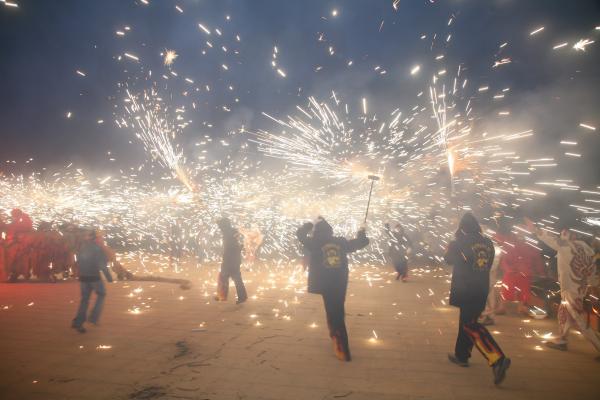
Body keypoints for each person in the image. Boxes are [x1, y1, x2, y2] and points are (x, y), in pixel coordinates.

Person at [444, 213, 511, 385]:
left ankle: (498, 358)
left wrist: (453, 243)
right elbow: (487, 265)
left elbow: (448, 259)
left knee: (470, 324)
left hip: (466, 289)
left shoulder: (459, 242)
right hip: (481, 288)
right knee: (466, 321)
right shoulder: (488, 242)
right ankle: (462, 355)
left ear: (462, 227)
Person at [296, 218, 369, 361]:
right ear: (330, 231)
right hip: (339, 282)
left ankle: (342, 349)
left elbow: (300, 235)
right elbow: (362, 243)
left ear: (316, 233)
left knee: (334, 312)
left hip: (324, 283)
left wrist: (308, 225)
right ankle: (334, 335)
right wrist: (362, 232)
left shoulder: (314, 243)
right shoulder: (341, 242)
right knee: (336, 310)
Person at [526, 219, 600, 359]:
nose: (561, 235)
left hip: (570, 290)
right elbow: (592, 273)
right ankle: (562, 340)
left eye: (563, 233)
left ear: (569, 234)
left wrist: (535, 229)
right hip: (579, 289)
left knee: (580, 320)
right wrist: (593, 286)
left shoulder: (566, 246)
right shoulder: (587, 249)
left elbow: (551, 240)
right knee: (563, 312)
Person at [495, 229, 545, 315]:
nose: (520, 233)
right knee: (506, 289)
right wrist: (507, 268)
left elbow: (537, 259)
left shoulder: (531, 244)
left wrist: (540, 271)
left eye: (523, 231)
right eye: (519, 231)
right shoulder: (510, 241)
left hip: (525, 271)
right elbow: (505, 256)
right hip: (512, 271)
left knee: (524, 291)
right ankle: (502, 307)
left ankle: (521, 307)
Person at [71, 229, 113, 333]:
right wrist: (109, 277)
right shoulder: (97, 249)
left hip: (83, 277)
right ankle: (94, 317)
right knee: (102, 293)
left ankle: (78, 323)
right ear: (95, 238)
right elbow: (102, 265)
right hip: (94, 277)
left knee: (84, 300)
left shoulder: (82, 248)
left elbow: (78, 262)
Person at [214, 218, 247, 304]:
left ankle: (223, 295)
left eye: (221, 226)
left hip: (231, 260)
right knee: (226, 277)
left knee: (229, 277)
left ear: (224, 226)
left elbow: (232, 247)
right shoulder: (230, 231)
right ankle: (223, 295)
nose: (220, 228)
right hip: (233, 259)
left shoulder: (228, 233)